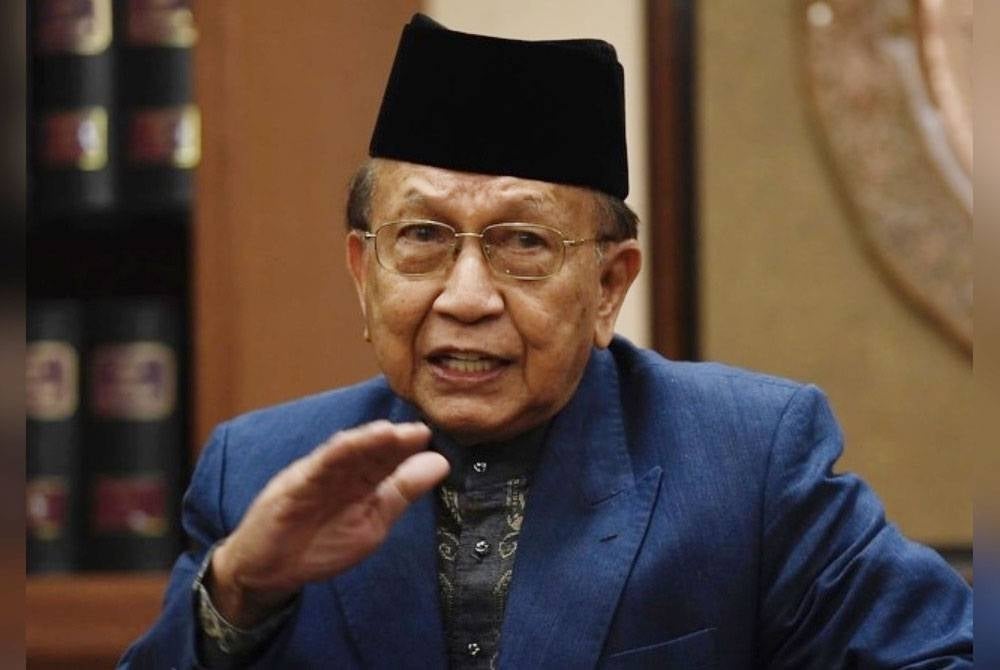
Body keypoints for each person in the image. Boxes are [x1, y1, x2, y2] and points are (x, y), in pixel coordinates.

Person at [119, 14, 972, 669]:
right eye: (422, 237)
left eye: (523, 243)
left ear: (609, 287)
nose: (465, 297)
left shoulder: (746, 462)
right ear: (361, 270)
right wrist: (240, 593)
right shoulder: (257, 471)